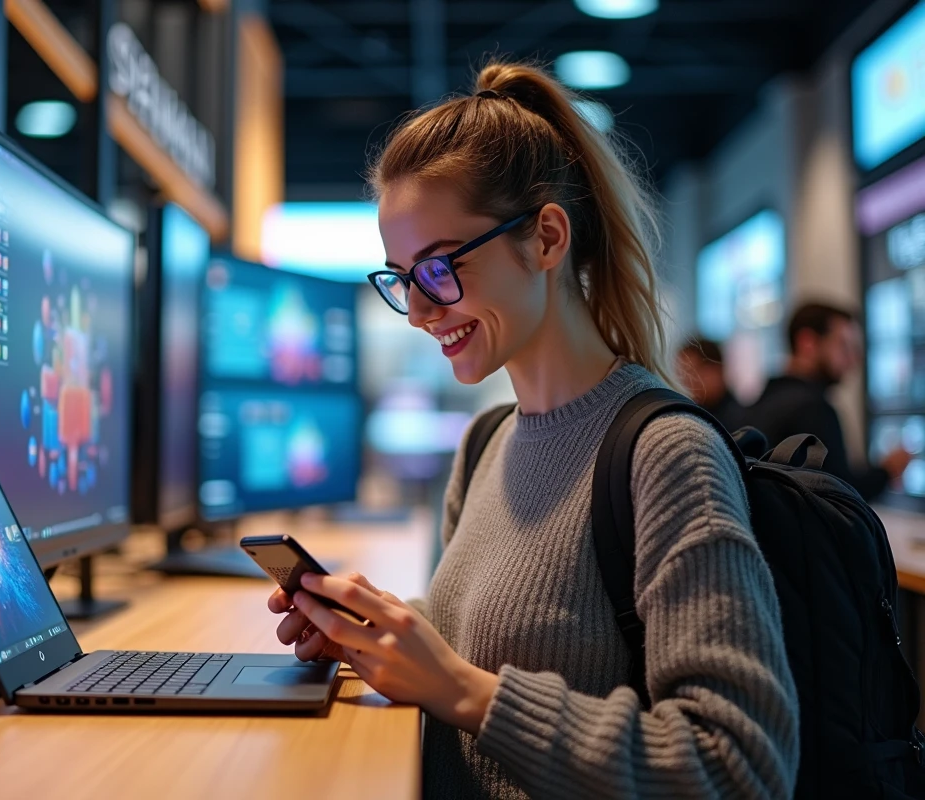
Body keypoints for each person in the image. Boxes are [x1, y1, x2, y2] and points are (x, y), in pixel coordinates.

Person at [268, 63, 798, 799]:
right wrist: (375, 633)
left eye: (440, 269)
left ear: (547, 237)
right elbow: (502, 640)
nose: (420, 313)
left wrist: (464, 692)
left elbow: (739, 765)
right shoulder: (486, 443)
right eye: (400, 279)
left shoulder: (666, 454)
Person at [748, 302, 909, 501]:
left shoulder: (766, 398)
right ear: (807, 342)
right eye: (843, 345)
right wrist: (887, 470)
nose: (852, 360)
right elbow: (841, 496)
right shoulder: (811, 409)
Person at [675, 336, 746, 430]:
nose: (687, 382)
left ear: (717, 369)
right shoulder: (689, 417)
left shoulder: (741, 422)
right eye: (682, 374)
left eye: (693, 372)